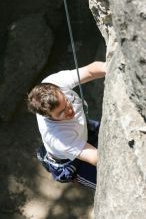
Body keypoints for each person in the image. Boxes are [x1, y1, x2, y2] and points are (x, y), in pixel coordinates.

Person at [27, 61, 106, 190]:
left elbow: (90, 71)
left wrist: (108, 68)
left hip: (83, 128)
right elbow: (95, 157)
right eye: (61, 112)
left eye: (67, 102)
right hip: (69, 160)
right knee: (104, 185)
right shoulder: (59, 138)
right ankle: (75, 178)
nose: (70, 110)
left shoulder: (52, 82)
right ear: (48, 117)